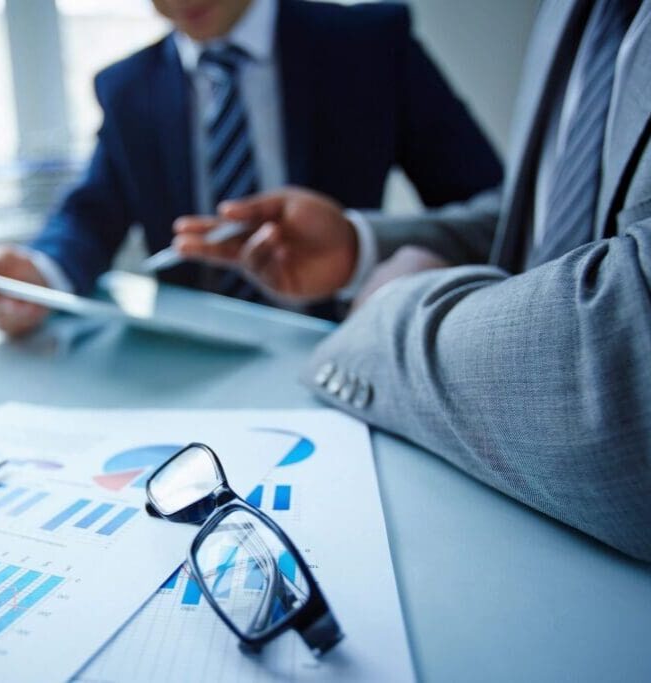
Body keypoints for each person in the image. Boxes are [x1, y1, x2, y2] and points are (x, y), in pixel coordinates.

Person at [176, 0, 651, 561]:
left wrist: (383, 307)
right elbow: (542, 219)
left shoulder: (369, 33)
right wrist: (360, 247)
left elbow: (624, 359)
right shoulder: (570, 12)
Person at [0, 0, 502, 335]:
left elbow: (496, 211)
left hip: (347, 340)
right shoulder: (128, 88)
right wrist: (39, 272)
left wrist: (366, 252)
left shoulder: (370, 45)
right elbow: (89, 215)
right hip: (194, 365)